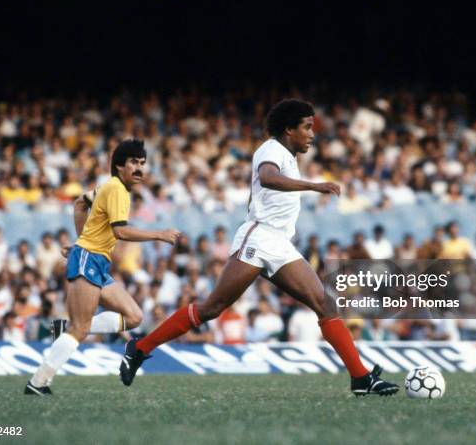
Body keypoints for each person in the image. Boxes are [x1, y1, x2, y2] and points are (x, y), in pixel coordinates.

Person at [119, 99, 398, 396]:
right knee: (213, 307)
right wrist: (313, 186)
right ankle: (139, 347)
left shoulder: (288, 154)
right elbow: (267, 177)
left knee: (325, 304)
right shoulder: (271, 149)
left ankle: (360, 377)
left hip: (279, 243)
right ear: (289, 129)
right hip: (259, 238)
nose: (312, 133)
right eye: (306, 127)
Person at [25, 139, 180, 396]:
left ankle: (64, 328)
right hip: (90, 258)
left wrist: (79, 242)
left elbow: (79, 204)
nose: (139, 168)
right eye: (133, 162)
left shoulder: (108, 188)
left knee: (134, 317)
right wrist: (159, 234)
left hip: (94, 260)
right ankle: (38, 384)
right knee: (81, 329)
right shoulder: (117, 190)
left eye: (142, 163)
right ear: (119, 166)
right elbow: (120, 231)